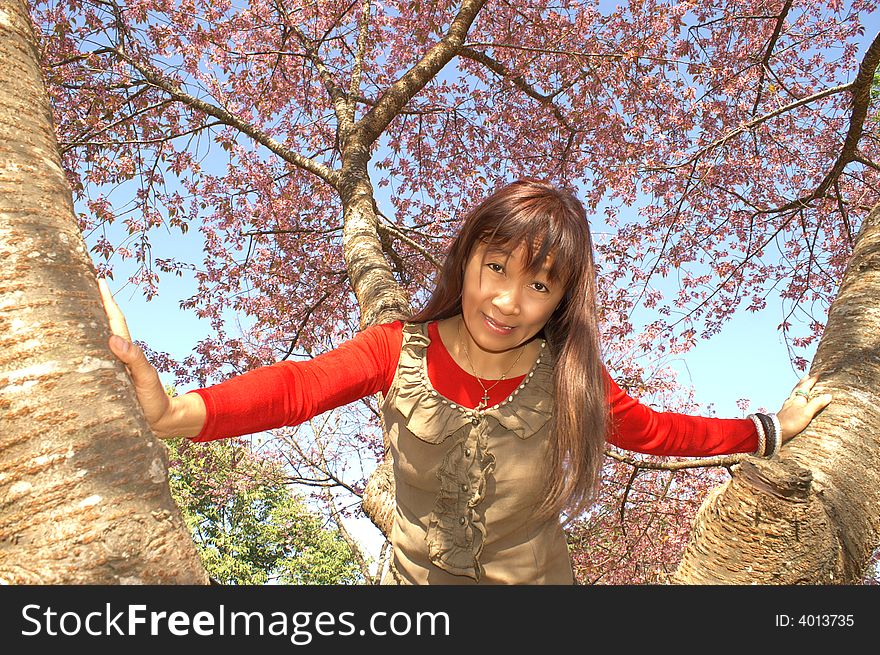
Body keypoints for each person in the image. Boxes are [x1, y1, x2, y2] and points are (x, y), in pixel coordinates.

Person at [98, 177, 833, 585]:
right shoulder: (396, 349)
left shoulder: (572, 376)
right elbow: (297, 388)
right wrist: (174, 412)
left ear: (561, 299)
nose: (510, 302)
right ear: (468, 261)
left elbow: (661, 429)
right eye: (497, 269)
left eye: (540, 285)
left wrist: (769, 429)